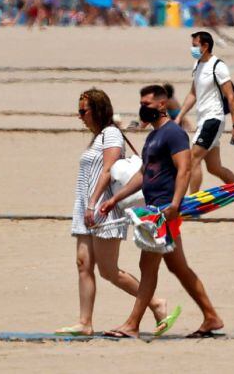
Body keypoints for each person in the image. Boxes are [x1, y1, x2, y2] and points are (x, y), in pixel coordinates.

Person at [98, 85, 224, 339]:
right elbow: (143, 175)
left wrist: (175, 204)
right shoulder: (153, 137)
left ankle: (132, 324)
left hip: (165, 211)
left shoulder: (174, 134)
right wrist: (116, 199)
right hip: (155, 209)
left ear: (163, 105)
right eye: (141, 103)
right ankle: (211, 316)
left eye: (149, 104)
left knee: (147, 265)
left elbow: (184, 170)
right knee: (178, 267)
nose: (144, 108)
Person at [57, 88, 178, 337]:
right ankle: (84, 322)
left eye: (83, 111)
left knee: (108, 270)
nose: (80, 116)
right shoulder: (98, 136)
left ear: (98, 110)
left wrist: (94, 204)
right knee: (83, 264)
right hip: (86, 208)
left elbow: (108, 171)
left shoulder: (111, 134)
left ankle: (155, 303)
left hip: (102, 208)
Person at [176, 31, 234, 217]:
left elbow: (230, 97)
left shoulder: (218, 66)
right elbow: (193, 93)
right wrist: (179, 116)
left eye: (195, 45)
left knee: (192, 160)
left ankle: (193, 207)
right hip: (203, 120)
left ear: (205, 46)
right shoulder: (198, 65)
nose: (192, 48)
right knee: (214, 167)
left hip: (213, 119)